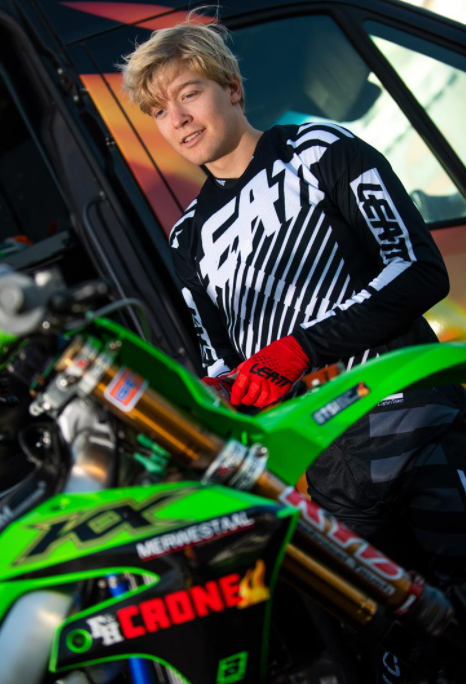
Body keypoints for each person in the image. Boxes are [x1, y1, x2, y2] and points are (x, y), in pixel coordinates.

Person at [120, 16, 466, 596]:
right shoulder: (187, 238)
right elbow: (219, 363)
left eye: (188, 94)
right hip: (324, 466)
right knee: (394, 638)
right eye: (158, 110)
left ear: (232, 88)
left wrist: (300, 349)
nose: (176, 118)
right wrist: (215, 395)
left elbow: (417, 270)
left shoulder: (319, 148)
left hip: (412, 420)